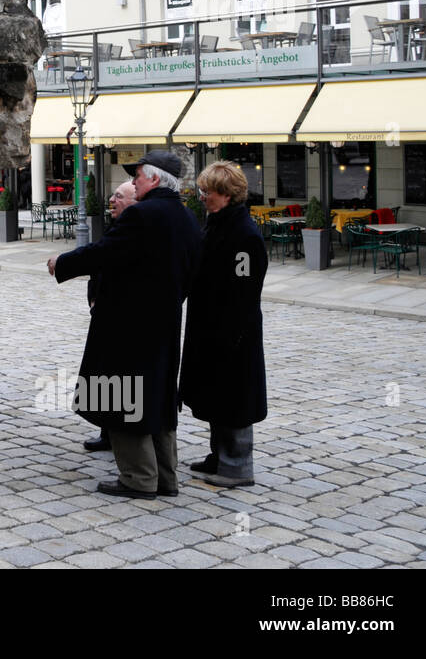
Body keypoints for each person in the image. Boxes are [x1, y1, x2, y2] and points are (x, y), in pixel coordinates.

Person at [47, 151, 203, 500]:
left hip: (128, 326)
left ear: (155, 180)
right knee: (159, 400)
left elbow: (104, 252)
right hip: (164, 323)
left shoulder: (142, 215)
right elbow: (194, 273)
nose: (133, 183)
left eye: (137, 177)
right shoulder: (188, 218)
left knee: (123, 396)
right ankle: (166, 478)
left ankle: (138, 477)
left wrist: (63, 263)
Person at [179, 161, 268, 489]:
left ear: (227, 194)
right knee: (217, 398)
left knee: (234, 401)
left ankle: (237, 465)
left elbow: (243, 291)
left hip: (233, 336)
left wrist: (229, 336)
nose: (201, 196)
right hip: (212, 329)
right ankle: (219, 456)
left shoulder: (243, 235)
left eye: (208, 191)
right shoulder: (217, 224)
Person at [80, 179, 138, 454]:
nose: (111, 201)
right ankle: (106, 430)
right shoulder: (113, 227)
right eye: (112, 196)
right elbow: (97, 264)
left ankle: (119, 434)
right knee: (102, 373)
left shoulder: (136, 230)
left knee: (118, 375)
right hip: (103, 311)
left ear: (134, 202)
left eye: (118, 197)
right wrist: (93, 295)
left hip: (125, 317)